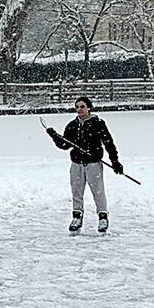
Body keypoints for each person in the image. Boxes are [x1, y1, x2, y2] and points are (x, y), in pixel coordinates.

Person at [46, 96, 123, 234]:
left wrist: (115, 161)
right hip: (76, 164)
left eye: (82, 106)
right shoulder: (72, 125)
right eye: (77, 107)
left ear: (89, 107)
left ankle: (103, 217)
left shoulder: (98, 123)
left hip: (93, 164)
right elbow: (65, 145)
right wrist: (55, 136)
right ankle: (77, 217)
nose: (79, 109)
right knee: (76, 192)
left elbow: (108, 143)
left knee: (98, 192)